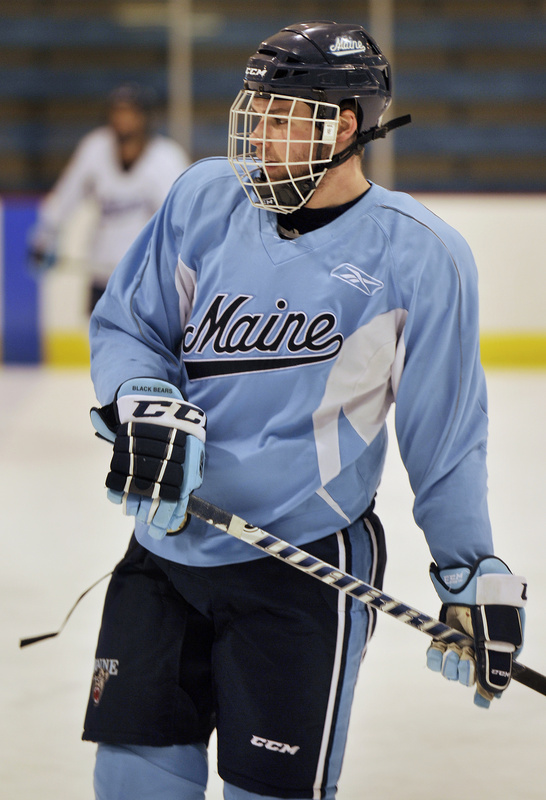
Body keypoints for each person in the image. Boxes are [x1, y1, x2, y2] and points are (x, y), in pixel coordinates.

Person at [84, 21, 527, 800]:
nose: (256, 134)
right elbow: (131, 327)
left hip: (301, 569)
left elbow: (446, 438)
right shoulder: (202, 197)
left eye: (280, 116)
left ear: (345, 127)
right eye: (252, 111)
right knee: (130, 786)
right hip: (164, 551)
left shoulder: (419, 255)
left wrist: (468, 577)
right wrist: (141, 399)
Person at [28, 83, 190, 312]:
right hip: (102, 272)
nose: (122, 119)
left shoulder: (167, 158)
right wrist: (45, 237)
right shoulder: (95, 148)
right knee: (102, 342)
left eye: (130, 112)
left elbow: (181, 217)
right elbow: (66, 196)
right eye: (117, 112)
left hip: (146, 276)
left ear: (145, 117)